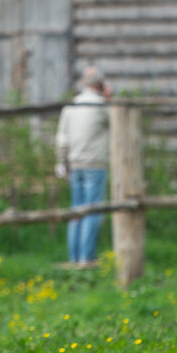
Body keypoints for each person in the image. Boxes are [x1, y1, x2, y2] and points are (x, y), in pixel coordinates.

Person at [55, 66, 111, 269]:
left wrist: (62, 161)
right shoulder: (102, 106)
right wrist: (109, 98)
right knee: (92, 211)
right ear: (100, 83)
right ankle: (86, 259)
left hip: (74, 164)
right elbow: (117, 123)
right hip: (95, 164)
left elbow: (62, 137)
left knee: (76, 212)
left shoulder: (71, 106)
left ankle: (74, 258)